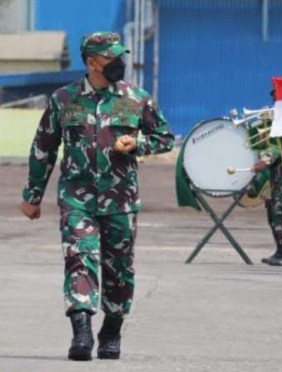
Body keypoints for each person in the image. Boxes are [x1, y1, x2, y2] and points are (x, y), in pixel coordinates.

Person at [20, 32, 174, 361]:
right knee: (79, 258)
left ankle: (111, 331)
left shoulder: (136, 98)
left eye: (120, 55)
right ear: (92, 62)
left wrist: (139, 145)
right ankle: (82, 332)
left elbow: (164, 138)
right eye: (111, 57)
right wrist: (33, 196)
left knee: (119, 269)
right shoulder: (64, 99)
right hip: (77, 198)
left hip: (121, 200)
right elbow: (43, 149)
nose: (120, 62)